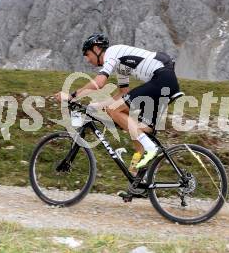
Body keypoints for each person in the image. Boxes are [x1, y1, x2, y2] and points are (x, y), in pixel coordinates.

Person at [54, 33, 180, 181]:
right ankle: (138, 178)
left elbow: (100, 82)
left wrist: (71, 96)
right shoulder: (121, 66)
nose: (87, 59)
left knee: (114, 110)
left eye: (87, 54)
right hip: (165, 81)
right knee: (136, 126)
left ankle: (151, 149)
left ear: (96, 49)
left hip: (162, 78)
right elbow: (123, 94)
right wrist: (98, 106)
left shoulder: (112, 53)